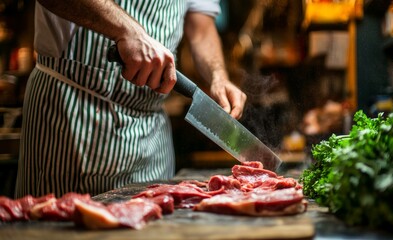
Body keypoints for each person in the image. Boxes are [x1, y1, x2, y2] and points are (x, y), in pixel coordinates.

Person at [15, 0, 247, 198]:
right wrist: (126, 30)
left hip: (151, 139)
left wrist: (218, 75)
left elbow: (201, 28)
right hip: (69, 118)